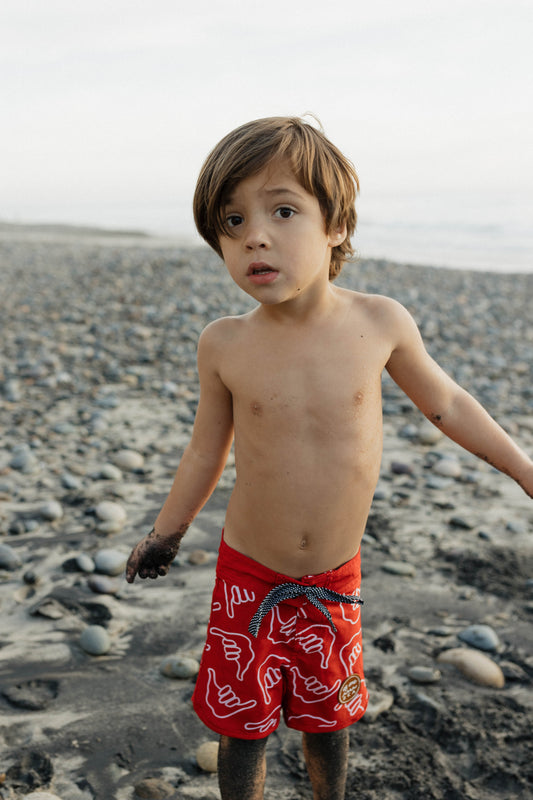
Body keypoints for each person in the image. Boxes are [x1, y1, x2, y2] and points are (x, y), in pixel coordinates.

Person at [126, 116, 533, 800]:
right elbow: (205, 449)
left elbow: (449, 405)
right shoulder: (224, 344)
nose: (254, 234)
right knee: (243, 726)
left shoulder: (377, 322)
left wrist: (522, 468)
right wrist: (164, 535)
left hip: (333, 581)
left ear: (336, 225)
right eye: (231, 221)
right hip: (248, 579)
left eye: (282, 210)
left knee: (329, 718)